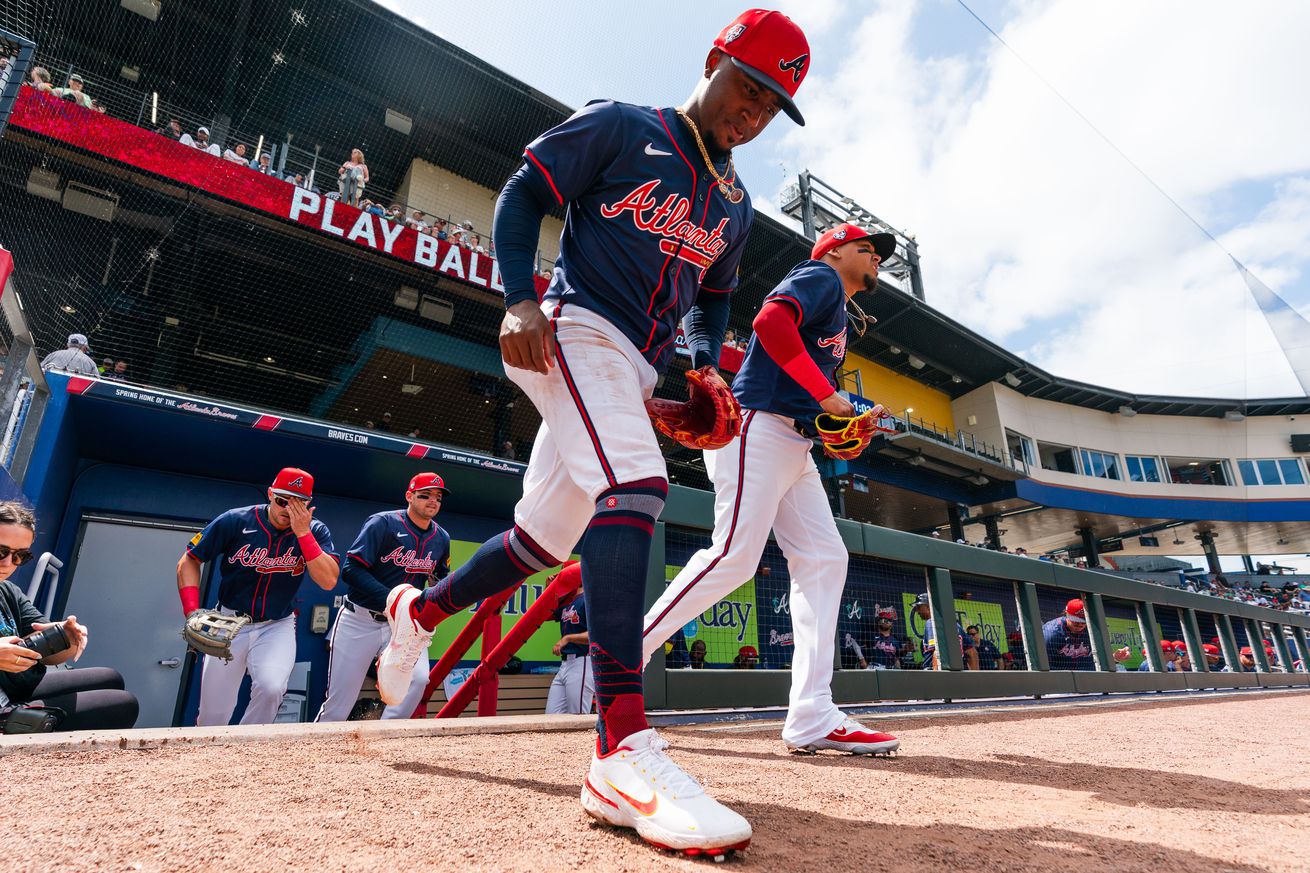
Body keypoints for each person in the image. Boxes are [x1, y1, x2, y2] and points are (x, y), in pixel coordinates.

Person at [372, 9, 810, 858]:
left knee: (541, 541)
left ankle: (417, 611)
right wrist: (517, 296)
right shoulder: (624, 127)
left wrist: (702, 364)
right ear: (715, 60)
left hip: (635, 371)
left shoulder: (735, 204)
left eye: (772, 105)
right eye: (748, 87)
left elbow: (714, 294)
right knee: (639, 487)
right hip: (572, 328)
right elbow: (524, 192)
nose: (753, 112)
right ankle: (620, 748)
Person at [643, 222, 902, 759]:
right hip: (758, 429)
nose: (876, 257)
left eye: (878, 253)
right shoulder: (822, 276)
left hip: (792, 441)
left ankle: (811, 714)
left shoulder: (839, 309)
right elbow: (769, 322)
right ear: (834, 251)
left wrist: (841, 425)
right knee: (734, 557)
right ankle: (623, 656)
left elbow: (809, 390)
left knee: (825, 559)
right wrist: (832, 398)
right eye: (866, 248)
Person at [177, 467, 339, 726]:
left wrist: (303, 534)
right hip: (228, 622)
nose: (288, 509)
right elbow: (189, 560)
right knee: (213, 714)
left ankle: (244, 749)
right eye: (283, 500)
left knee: (272, 688)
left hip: (277, 625)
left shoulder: (316, 531)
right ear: (270, 493)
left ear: (309, 505)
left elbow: (328, 580)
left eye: (299, 503)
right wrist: (192, 611)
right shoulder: (235, 520)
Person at [316, 473, 450, 722]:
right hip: (361, 619)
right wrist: (393, 600)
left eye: (438, 497)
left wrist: (436, 589)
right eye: (425, 495)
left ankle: (384, 735)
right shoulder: (383, 523)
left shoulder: (441, 538)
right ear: (409, 496)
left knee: (418, 679)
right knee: (339, 701)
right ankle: (316, 752)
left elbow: (440, 576)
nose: (433, 501)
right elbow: (350, 569)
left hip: (405, 624)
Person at [0, 502, 138, 731]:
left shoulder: (7, 590)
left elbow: (51, 655)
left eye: (20, 556)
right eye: (1, 551)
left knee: (110, 678)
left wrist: (67, 638)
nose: (8, 564)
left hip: (14, 684)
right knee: (122, 705)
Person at [545, 562, 593, 715]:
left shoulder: (590, 599)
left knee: (578, 718)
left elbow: (596, 635)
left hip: (583, 662)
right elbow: (544, 615)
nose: (561, 579)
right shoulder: (568, 602)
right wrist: (549, 590)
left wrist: (568, 638)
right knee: (551, 716)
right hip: (565, 664)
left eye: (564, 575)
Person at [1043, 598, 1129, 671]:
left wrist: (1114, 658)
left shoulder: (1092, 631)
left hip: (1089, 682)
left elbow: (1099, 661)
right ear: (1067, 614)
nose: (1080, 625)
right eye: (1076, 622)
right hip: (1060, 685)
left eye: (1083, 622)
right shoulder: (1051, 632)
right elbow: (1042, 665)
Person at [913, 593, 978, 670]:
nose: (917, 611)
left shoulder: (931, 622)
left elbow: (936, 653)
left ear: (928, 606)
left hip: (937, 674)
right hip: (958, 673)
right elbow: (972, 652)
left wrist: (937, 678)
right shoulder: (955, 625)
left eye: (919, 607)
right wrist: (975, 677)